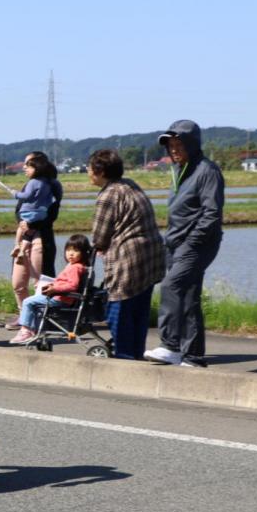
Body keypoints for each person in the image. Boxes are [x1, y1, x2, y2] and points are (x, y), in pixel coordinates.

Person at [144, 120, 224, 368]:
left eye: (179, 144)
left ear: (192, 143)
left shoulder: (207, 171)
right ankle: (194, 357)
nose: (173, 149)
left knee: (171, 286)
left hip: (196, 244)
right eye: (170, 145)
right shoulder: (180, 169)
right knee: (188, 297)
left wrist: (192, 241)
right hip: (175, 243)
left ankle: (170, 345)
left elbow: (212, 213)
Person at [87, 149, 166, 360]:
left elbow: (99, 237)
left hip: (128, 259)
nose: (88, 172)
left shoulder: (108, 194)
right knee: (139, 312)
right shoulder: (130, 184)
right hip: (151, 256)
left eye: (90, 168)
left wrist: (99, 246)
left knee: (118, 312)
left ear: (100, 171)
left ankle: (124, 359)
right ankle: (136, 355)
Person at [9, 234, 92, 344]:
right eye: (68, 250)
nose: (70, 254)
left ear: (83, 253)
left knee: (27, 302)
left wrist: (54, 288)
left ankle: (26, 331)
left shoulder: (75, 268)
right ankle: (33, 329)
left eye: (75, 250)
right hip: (60, 297)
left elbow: (73, 286)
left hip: (59, 299)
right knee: (34, 302)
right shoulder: (77, 266)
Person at [7, 153, 55, 316]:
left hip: (40, 238)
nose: (24, 167)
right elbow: (19, 209)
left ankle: (41, 318)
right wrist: (22, 221)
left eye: (28, 164)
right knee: (18, 283)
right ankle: (24, 318)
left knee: (40, 281)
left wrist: (32, 224)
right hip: (24, 236)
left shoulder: (51, 185)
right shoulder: (30, 184)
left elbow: (51, 214)